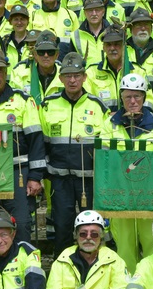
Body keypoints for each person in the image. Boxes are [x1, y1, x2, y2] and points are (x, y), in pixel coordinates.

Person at [39, 53, 110, 254]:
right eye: (67, 75)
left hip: (90, 180)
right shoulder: (49, 104)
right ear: (60, 78)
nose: (72, 80)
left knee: (94, 228)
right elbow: (42, 142)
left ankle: (97, 265)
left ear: (84, 77)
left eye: (77, 75)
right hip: (60, 181)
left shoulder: (97, 105)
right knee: (62, 227)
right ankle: (62, 266)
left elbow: (105, 145)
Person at [0, 48, 47, 243]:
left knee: (21, 223)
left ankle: (24, 265)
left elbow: (36, 140)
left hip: (17, 174)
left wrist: (36, 176)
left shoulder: (23, 101)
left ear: (6, 72)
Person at [100, 74, 153, 272]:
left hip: (149, 195)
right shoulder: (110, 124)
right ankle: (126, 286)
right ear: (121, 97)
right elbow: (106, 161)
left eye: (137, 97)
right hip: (120, 195)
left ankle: (150, 282)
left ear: (144, 97)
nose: (132, 101)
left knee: (150, 243)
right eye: (128, 97)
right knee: (125, 246)